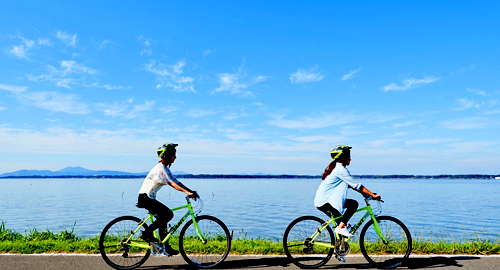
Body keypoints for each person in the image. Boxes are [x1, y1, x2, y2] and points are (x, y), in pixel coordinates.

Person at [137, 143, 198, 255]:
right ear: (166, 155)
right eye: (173, 154)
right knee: (168, 214)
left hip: (148, 197)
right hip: (146, 198)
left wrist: (191, 191)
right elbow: (173, 184)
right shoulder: (161, 169)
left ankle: (165, 246)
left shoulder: (165, 168)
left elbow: (177, 182)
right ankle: (146, 233)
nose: (175, 157)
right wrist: (187, 192)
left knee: (164, 217)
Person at [314, 145, 381, 237]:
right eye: (349, 157)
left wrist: (366, 194)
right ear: (343, 158)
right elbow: (357, 185)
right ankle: (341, 229)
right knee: (353, 205)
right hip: (326, 202)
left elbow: (351, 185)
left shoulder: (339, 169)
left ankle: (338, 248)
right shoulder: (340, 170)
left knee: (342, 222)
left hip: (326, 201)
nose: (350, 159)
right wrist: (373, 195)